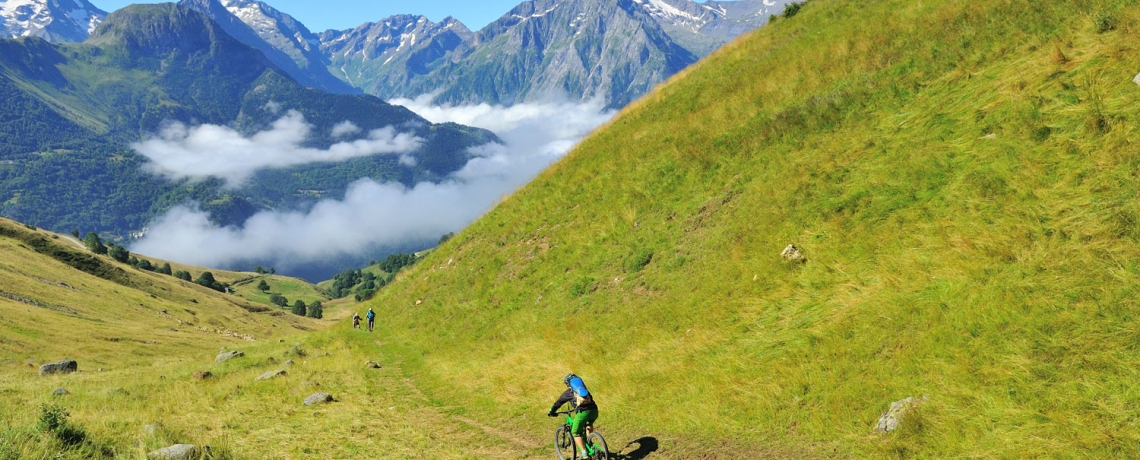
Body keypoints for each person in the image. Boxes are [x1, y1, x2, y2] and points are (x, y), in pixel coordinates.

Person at [548, 373, 599, 457]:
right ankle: (589, 443)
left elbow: (558, 403)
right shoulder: (584, 390)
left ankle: (584, 453)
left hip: (583, 413)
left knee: (575, 432)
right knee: (588, 425)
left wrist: (551, 411)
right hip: (594, 411)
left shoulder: (569, 392)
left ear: (568, 384)